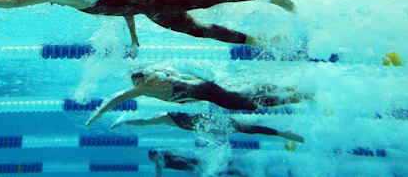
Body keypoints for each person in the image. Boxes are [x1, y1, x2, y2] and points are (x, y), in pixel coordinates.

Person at [0, 0, 295, 58]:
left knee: (201, 1)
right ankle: (255, 41)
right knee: (198, 31)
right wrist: (133, 37)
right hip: (146, 9)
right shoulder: (81, 1)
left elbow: (18, 1)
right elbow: (121, 8)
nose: (49, 1)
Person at [86, 67, 309, 126]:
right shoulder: (159, 79)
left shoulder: (147, 86)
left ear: (140, 80)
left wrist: (98, 114)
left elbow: (120, 97)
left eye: (136, 83)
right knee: (245, 95)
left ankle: (297, 95)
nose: (136, 87)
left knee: (249, 104)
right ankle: (290, 91)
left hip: (209, 92)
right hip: (209, 90)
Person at [112, 111, 304, 142]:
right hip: (193, 121)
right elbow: (145, 122)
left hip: (198, 120)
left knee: (243, 126)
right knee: (243, 126)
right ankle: (281, 132)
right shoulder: (169, 117)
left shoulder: (170, 117)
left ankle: (282, 132)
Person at [149, 149, 247, 177]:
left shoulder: (160, 158)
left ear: (155, 155)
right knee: (215, 169)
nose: (154, 161)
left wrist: (191, 167)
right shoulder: (164, 155)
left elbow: (180, 160)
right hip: (192, 162)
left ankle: (237, 168)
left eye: (153, 159)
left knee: (215, 171)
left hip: (192, 164)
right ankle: (237, 164)